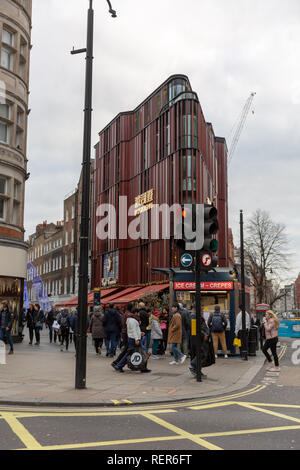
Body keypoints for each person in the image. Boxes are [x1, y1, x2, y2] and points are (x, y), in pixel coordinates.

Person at [189, 306, 213, 379]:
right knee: (201, 353)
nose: (202, 311)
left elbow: (203, 326)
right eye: (201, 309)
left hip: (201, 338)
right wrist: (204, 334)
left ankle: (198, 370)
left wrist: (207, 333)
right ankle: (193, 366)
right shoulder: (193, 316)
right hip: (197, 339)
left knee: (203, 354)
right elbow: (195, 329)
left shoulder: (199, 316)